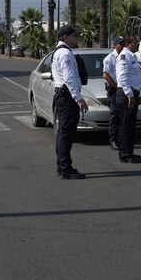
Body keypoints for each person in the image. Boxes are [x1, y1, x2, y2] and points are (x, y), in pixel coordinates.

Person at [52, 25, 88, 179]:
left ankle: (63, 166)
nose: (77, 38)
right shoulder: (65, 54)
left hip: (64, 96)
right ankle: (65, 168)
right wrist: (79, 99)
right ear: (65, 37)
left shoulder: (61, 52)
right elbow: (70, 79)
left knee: (64, 133)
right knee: (66, 134)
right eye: (74, 35)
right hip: (67, 97)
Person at [116, 34, 141, 163]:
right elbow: (122, 77)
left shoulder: (132, 56)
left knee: (130, 125)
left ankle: (129, 151)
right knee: (125, 125)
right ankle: (125, 154)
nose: (137, 44)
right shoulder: (124, 56)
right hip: (127, 94)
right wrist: (130, 95)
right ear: (128, 44)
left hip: (132, 93)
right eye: (135, 43)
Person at [103, 35, 125, 151]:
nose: (123, 46)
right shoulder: (110, 58)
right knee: (114, 116)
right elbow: (106, 75)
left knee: (122, 116)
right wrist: (117, 87)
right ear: (115, 45)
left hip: (123, 90)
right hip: (114, 90)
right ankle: (113, 139)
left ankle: (122, 138)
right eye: (121, 44)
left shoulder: (124, 57)